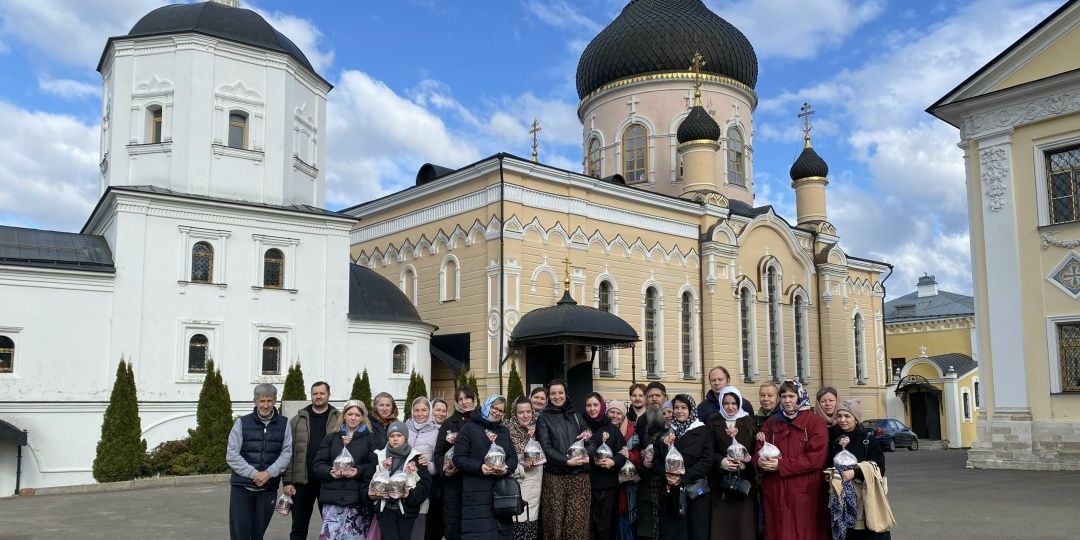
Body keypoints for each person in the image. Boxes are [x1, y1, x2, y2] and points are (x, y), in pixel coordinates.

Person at [756, 380, 829, 540]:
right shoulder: (771, 422)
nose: (787, 400)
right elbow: (759, 449)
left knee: (803, 532)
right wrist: (759, 462)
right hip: (775, 490)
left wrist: (781, 465)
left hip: (804, 490)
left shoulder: (815, 422)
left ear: (800, 396)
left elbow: (816, 458)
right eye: (783, 396)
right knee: (777, 532)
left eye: (791, 396)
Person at [227, 383, 293, 540]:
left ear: (275, 401)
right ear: (255, 401)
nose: (265, 405)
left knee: (258, 534)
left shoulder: (284, 424)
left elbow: (286, 453)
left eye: (269, 401)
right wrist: (255, 474)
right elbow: (232, 454)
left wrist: (268, 474)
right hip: (242, 487)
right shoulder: (242, 423)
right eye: (262, 401)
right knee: (240, 534)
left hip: (268, 487)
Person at [535, 379, 594, 540]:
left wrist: (585, 455)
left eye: (560, 393)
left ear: (566, 394)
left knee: (577, 524)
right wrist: (566, 461)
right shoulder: (544, 418)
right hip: (555, 478)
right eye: (553, 393)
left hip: (579, 478)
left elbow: (591, 441)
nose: (557, 396)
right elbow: (545, 447)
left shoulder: (577, 416)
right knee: (555, 524)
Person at [454, 395, 518, 540]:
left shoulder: (503, 432)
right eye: (494, 407)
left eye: (501, 411)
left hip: (501, 494)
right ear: (487, 406)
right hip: (476, 493)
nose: (497, 412)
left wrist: (506, 468)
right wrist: (479, 467)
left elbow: (513, 457)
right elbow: (458, 458)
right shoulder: (469, 428)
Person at [282, 381, 340, 540]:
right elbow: (288, 452)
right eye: (315, 393)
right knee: (298, 528)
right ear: (311, 395)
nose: (318, 396)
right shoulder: (297, 420)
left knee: (332, 527)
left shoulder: (340, 419)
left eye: (322, 393)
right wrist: (287, 481)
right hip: (302, 483)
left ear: (329, 394)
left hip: (329, 482)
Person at [312, 400, 377, 540]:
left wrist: (358, 471)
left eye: (357, 415)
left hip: (357, 502)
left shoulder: (370, 439)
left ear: (362, 417)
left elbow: (375, 466)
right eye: (350, 414)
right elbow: (317, 465)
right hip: (332, 501)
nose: (353, 418)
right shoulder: (331, 438)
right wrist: (329, 471)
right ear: (344, 416)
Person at [827, 399, 890, 540]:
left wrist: (855, 472)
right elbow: (827, 463)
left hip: (865, 499)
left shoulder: (867, 439)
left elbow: (879, 467)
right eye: (839, 416)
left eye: (847, 416)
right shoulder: (834, 440)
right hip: (840, 501)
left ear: (856, 419)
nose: (842, 420)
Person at [655, 394, 712, 539]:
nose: (679, 411)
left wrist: (684, 478)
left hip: (694, 492)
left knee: (696, 532)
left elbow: (706, 461)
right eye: (676, 408)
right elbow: (656, 460)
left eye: (684, 407)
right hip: (670, 492)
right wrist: (665, 475)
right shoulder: (665, 434)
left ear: (691, 410)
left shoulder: (703, 431)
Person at [707, 387, 758, 540]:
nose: (730, 407)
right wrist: (721, 461)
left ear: (739, 403)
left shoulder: (749, 422)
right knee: (722, 528)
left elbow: (757, 449)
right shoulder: (713, 422)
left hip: (745, 482)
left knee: (744, 527)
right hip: (721, 483)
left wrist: (748, 459)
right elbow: (707, 450)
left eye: (734, 403)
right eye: (726, 403)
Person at [373, 421, 432, 540]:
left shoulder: (416, 457)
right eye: (392, 436)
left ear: (405, 437)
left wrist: (409, 495)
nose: (395, 439)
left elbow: (425, 484)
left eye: (399, 436)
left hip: (407, 510)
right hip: (385, 509)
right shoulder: (379, 456)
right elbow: (367, 479)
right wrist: (372, 493)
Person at [433, 385, 476, 540]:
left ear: (474, 399)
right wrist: (444, 470)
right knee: (453, 527)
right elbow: (438, 454)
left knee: (475, 526)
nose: (464, 402)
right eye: (460, 399)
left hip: (477, 483)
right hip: (454, 484)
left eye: (467, 398)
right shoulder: (449, 423)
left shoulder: (481, 422)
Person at [584, 392, 627, 540]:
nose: (592, 409)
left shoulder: (612, 429)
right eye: (589, 405)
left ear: (602, 406)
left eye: (595, 405)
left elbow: (623, 453)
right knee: (586, 525)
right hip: (585, 482)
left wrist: (613, 461)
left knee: (605, 525)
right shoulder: (581, 424)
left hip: (607, 484)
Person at [633, 381, 667, 540]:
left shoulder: (672, 417)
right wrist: (641, 456)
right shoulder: (642, 421)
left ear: (665, 398)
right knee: (647, 526)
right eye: (651, 396)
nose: (654, 399)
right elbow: (638, 446)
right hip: (648, 478)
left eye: (658, 396)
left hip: (668, 477)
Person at [506, 396, 543, 540]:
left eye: (529, 411)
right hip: (516, 488)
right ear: (515, 414)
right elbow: (503, 462)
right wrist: (521, 469)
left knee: (531, 525)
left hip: (536, 490)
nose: (525, 415)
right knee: (517, 525)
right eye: (521, 412)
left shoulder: (540, 429)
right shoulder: (507, 431)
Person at [407, 397, 440, 540]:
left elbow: (438, 462)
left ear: (430, 411)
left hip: (422, 485)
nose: (420, 414)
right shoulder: (404, 428)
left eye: (424, 410)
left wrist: (428, 465)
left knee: (417, 529)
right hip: (402, 484)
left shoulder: (436, 432)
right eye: (416, 410)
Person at [606, 400, 639, 540]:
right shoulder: (602, 430)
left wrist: (630, 455)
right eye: (611, 412)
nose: (615, 415)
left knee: (624, 514)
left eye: (618, 413)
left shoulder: (632, 433)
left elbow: (638, 458)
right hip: (607, 480)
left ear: (623, 415)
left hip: (626, 484)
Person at [425, 397, 449, 540]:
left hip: (442, 479)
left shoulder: (448, 428)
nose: (440, 413)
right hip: (428, 478)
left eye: (444, 411)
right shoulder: (426, 428)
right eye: (437, 410)